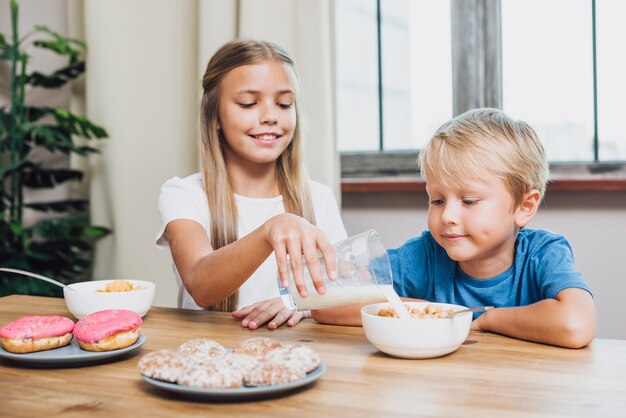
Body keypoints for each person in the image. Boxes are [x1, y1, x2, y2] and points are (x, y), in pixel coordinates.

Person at [312, 108, 596, 348]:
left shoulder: (543, 253)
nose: (447, 215)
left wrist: (488, 320)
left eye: (469, 201)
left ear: (525, 207)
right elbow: (329, 303)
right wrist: (435, 314)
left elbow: (576, 324)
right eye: (436, 200)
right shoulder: (425, 255)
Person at [156, 39, 347, 330]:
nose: (270, 116)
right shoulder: (184, 195)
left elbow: (342, 294)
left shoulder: (319, 197)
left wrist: (299, 305)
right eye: (248, 103)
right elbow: (200, 285)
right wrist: (271, 229)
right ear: (214, 115)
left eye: (284, 104)